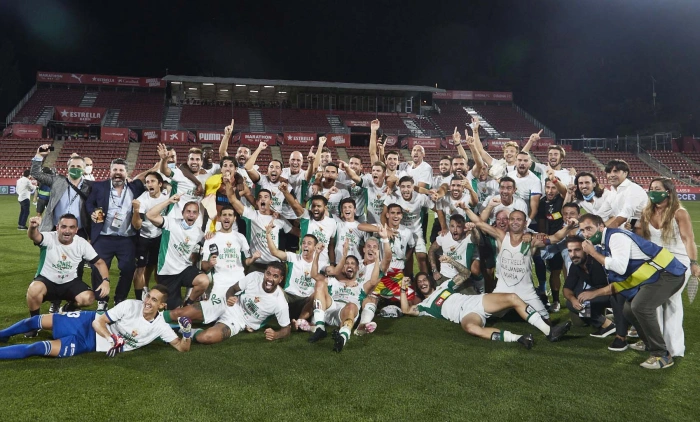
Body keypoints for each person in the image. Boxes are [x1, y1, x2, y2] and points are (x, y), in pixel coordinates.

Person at [577, 214, 687, 369]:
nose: (586, 234)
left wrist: (593, 254)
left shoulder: (615, 238)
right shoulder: (606, 242)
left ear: (601, 227)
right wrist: (594, 293)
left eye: (589, 228)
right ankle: (649, 343)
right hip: (652, 277)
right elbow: (622, 279)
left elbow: (619, 267)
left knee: (640, 306)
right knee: (628, 310)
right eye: (582, 230)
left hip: (668, 274)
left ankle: (662, 355)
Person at [399, 259, 571, 348]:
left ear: (430, 280)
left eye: (424, 279)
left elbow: (465, 273)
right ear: (418, 287)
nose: (422, 282)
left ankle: (549, 331)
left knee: (512, 297)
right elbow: (406, 309)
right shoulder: (425, 305)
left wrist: (451, 261)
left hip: (476, 301)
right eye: (419, 282)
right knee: (472, 329)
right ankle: (519, 339)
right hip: (465, 315)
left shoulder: (444, 287)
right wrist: (402, 289)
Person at [0, 285, 191, 359]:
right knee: (34, 321)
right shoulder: (131, 305)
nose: (148, 302)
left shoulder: (161, 327)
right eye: (149, 297)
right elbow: (98, 322)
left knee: (34, 349)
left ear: (162, 306)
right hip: (86, 322)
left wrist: (188, 334)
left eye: (154, 300)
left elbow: (182, 348)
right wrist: (113, 338)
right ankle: (3, 334)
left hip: (87, 343)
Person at [464, 207, 576, 321]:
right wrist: (465, 208)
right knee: (483, 313)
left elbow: (555, 238)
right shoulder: (501, 236)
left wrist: (568, 227)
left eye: (519, 219)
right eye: (512, 219)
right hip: (503, 289)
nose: (515, 222)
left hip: (526, 291)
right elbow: (479, 223)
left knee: (544, 319)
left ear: (525, 223)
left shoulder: (532, 240)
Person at [161, 205, 261, 325]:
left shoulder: (240, 237)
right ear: (219, 218)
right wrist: (210, 263)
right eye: (224, 215)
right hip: (220, 282)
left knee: (248, 314)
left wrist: (253, 258)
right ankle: (167, 316)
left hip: (239, 282)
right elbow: (203, 266)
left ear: (234, 218)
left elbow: (246, 263)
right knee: (210, 317)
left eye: (230, 215)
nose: (227, 218)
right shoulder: (211, 238)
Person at [635, 178, 699, 357]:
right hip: (655, 262)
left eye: (657, 189)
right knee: (654, 304)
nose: (653, 191)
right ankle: (658, 342)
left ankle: (673, 348)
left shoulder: (679, 213)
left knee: (670, 302)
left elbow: (688, 239)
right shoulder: (646, 211)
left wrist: (693, 263)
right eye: (651, 188)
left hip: (678, 263)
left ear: (668, 192)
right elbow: (643, 237)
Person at [24, 214, 111, 337]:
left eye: (71, 227)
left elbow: (100, 262)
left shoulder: (81, 243)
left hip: (70, 281)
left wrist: (106, 280)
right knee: (34, 289)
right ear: (57, 227)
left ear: (76, 230)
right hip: (47, 280)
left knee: (88, 298)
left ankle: (68, 308)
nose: (67, 230)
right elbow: (35, 236)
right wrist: (33, 228)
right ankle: (34, 324)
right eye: (64, 227)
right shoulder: (49, 237)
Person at [86, 159, 146, 309]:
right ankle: (102, 300)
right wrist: (92, 212)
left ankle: (120, 299)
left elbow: (151, 175)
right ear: (110, 171)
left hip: (127, 238)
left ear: (127, 173)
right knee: (97, 269)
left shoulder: (136, 187)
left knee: (128, 269)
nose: (118, 173)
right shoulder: (99, 186)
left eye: (121, 170)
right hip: (103, 236)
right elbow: (89, 203)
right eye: (115, 170)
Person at [185, 263, 291, 345]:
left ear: (280, 279)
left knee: (206, 337)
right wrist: (229, 297)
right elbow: (233, 288)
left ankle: (189, 331)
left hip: (238, 321)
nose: (270, 278)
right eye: (268, 273)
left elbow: (287, 329)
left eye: (275, 276)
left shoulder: (280, 302)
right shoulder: (254, 277)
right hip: (227, 304)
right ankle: (170, 325)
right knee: (179, 313)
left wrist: (276, 335)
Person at [305, 244, 382, 352]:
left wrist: (377, 258)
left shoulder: (361, 285)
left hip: (345, 313)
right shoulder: (333, 281)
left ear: (357, 268)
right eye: (346, 263)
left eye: (353, 263)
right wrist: (317, 254)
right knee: (319, 283)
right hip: (330, 308)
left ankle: (342, 338)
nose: (349, 265)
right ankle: (320, 328)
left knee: (351, 306)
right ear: (342, 267)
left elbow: (374, 281)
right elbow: (314, 275)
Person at [145, 194, 210, 309]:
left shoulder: (199, 234)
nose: (191, 215)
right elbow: (150, 215)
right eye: (188, 211)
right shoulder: (171, 223)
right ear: (182, 213)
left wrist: (211, 236)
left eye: (194, 212)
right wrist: (169, 201)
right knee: (172, 310)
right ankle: (177, 306)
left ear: (198, 215)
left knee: (204, 281)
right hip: (167, 272)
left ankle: (188, 303)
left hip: (184, 270)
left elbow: (202, 250)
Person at [562, 236, 624, 344]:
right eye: (570, 251)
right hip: (600, 294)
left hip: (618, 292)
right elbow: (567, 288)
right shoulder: (575, 266)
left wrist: (594, 293)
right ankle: (607, 324)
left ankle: (620, 329)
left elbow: (619, 285)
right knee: (572, 303)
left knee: (587, 301)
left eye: (577, 250)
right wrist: (573, 300)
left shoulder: (599, 260)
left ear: (585, 250)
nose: (573, 254)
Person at [382, 176, 434, 274]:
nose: (406, 189)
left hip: (416, 231)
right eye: (403, 187)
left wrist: (444, 227)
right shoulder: (393, 196)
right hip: (401, 232)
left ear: (413, 187)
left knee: (422, 256)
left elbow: (436, 208)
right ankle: (409, 281)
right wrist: (387, 229)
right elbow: (383, 215)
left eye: (408, 186)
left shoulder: (420, 197)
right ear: (399, 187)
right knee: (406, 259)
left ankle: (427, 280)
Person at [131, 171, 170, 299]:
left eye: (152, 181)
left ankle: (153, 291)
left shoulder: (166, 197)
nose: (149, 184)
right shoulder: (142, 199)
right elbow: (137, 225)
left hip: (158, 237)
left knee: (154, 266)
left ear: (160, 184)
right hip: (143, 237)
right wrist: (136, 210)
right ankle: (139, 298)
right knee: (140, 268)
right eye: (147, 182)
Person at [429, 215, 482, 291]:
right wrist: (434, 270)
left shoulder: (468, 237)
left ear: (464, 228)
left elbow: (477, 240)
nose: (455, 230)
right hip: (445, 276)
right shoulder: (444, 237)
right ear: (449, 227)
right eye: (452, 226)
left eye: (458, 227)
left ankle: (481, 291)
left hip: (463, 277)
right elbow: (431, 250)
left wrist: (473, 229)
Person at [602, 159, 648, 228]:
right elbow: (602, 213)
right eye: (609, 172)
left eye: (616, 171)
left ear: (625, 173)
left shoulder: (633, 189)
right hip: (625, 229)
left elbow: (626, 214)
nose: (611, 175)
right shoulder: (613, 191)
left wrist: (607, 230)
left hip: (640, 229)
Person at [507, 151, 541, 222]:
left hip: (526, 219)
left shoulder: (535, 181)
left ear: (530, 164)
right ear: (515, 162)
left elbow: (534, 209)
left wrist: (526, 223)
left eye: (525, 161)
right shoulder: (509, 176)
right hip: (509, 218)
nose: (522, 163)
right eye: (519, 160)